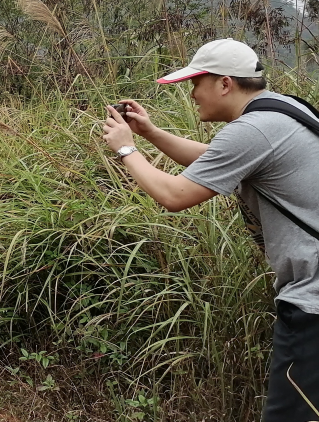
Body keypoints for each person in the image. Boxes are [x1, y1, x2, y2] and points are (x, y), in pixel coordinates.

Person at [101, 38, 319, 422]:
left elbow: (174, 195)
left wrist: (126, 150)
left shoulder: (253, 129)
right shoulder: (282, 110)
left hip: (313, 301)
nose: (191, 93)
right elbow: (219, 162)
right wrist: (150, 133)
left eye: (196, 82)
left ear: (224, 83)